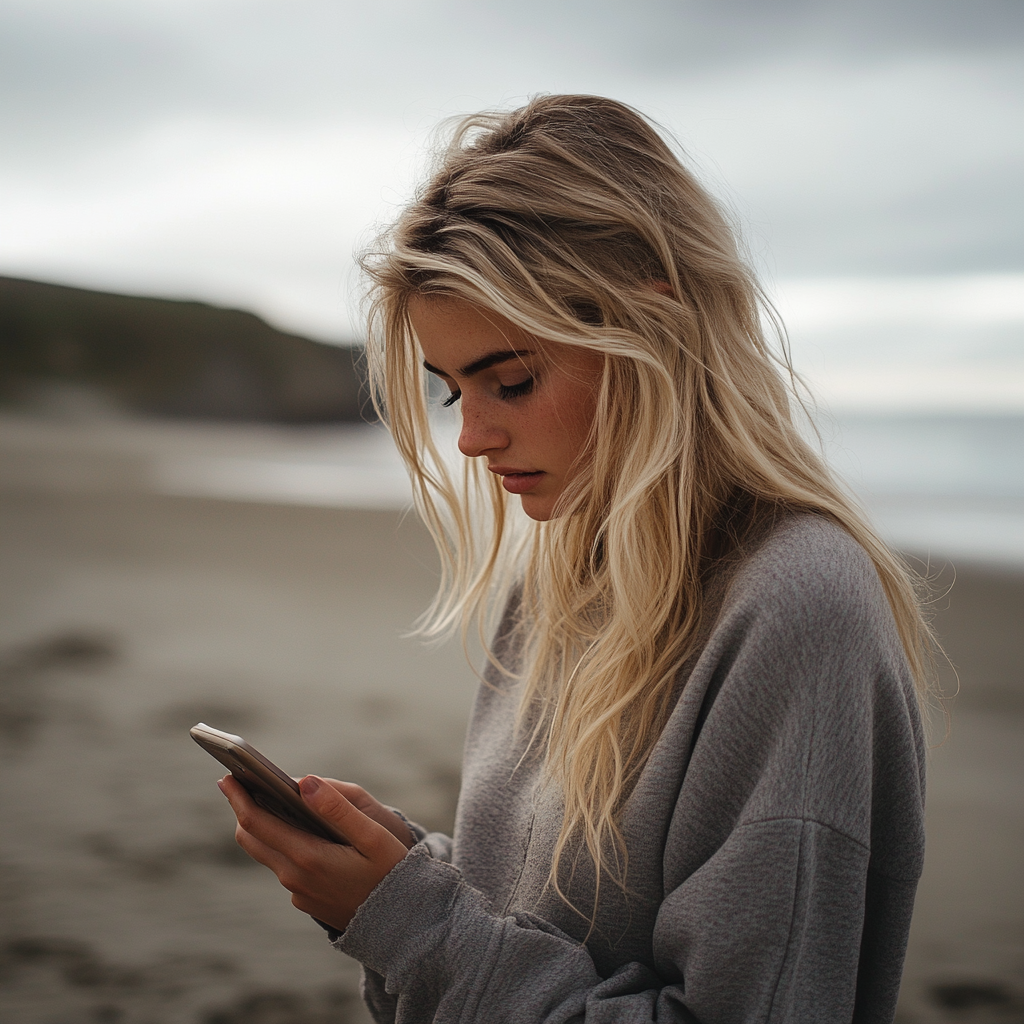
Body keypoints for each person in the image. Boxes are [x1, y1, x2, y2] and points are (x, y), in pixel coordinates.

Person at [218, 95, 931, 1023]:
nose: (470, 439)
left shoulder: (799, 610)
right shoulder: (562, 576)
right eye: (452, 393)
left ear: (655, 330)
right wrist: (406, 886)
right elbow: (542, 936)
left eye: (510, 381)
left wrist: (413, 925)